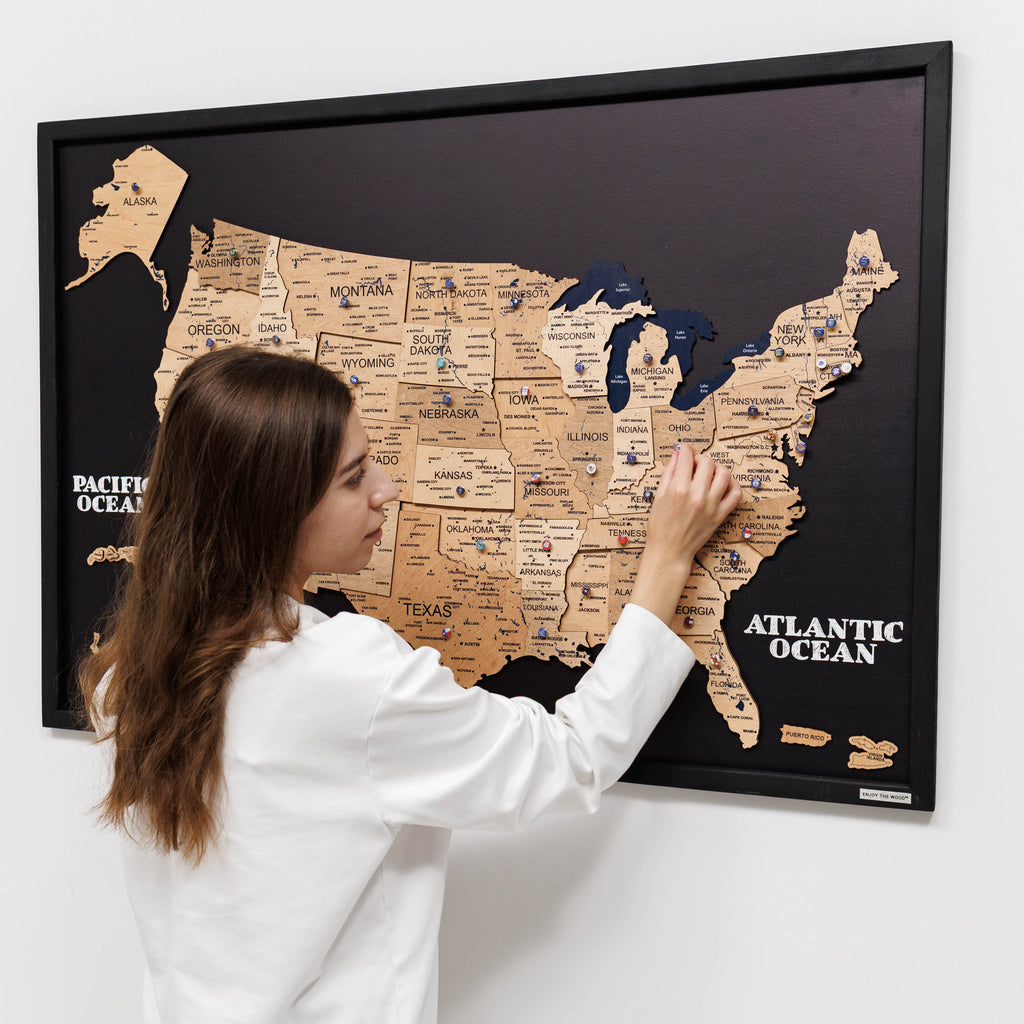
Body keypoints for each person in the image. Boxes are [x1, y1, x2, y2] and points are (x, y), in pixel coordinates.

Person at [79, 346, 740, 1024]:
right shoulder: (345, 675)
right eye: (352, 477)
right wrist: (667, 556)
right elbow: (571, 759)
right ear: (273, 506)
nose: (386, 489)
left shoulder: (128, 676)